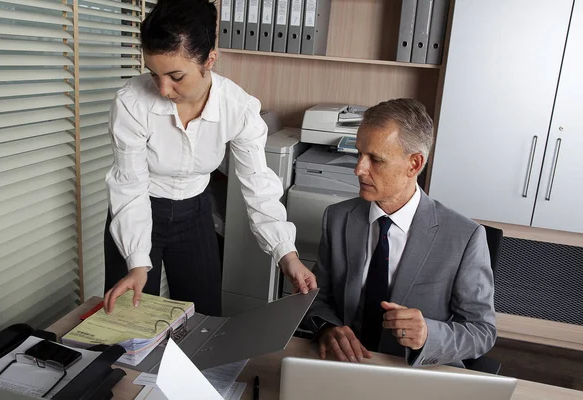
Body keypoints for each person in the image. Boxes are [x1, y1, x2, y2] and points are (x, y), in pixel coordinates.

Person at [103, 0, 316, 316]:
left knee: (202, 318)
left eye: (176, 75)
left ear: (210, 60)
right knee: (130, 323)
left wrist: (287, 254)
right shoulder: (132, 103)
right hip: (137, 209)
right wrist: (136, 262)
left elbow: (257, 185)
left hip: (195, 215)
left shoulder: (238, 108)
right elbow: (129, 186)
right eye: (154, 73)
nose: (163, 89)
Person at [303, 99, 496, 367]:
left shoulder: (464, 237)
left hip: (417, 373)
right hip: (346, 365)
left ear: (414, 164)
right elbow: (319, 297)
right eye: (359, 154)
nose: (358, 169)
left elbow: (481, 332)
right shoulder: (337, 218)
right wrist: (327, 327)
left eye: (376, 159)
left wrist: (429, 334)